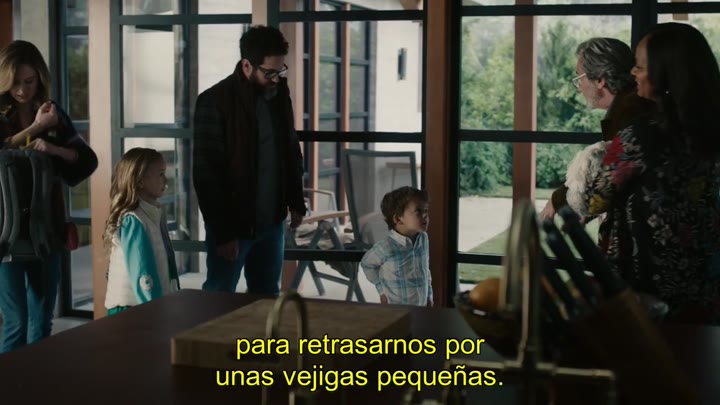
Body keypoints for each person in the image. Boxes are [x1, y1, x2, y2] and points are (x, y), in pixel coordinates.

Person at [582, 23, 720, 324]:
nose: (633, 72)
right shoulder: (710, 131)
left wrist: (591, 159)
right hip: (704, 287)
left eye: (641, 66)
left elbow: (593, 199)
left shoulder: (639, 136)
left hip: (646, 293)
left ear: (665, 74)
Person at [192, 25, 306, 295]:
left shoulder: (279, 96)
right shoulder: (214, 101)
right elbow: (206, 174)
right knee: (219, 297)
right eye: (270, 73)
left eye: (281, 71)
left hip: (272, 223)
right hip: (233, 225)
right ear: (247, 65)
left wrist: (296, 200)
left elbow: (290, 151)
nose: (276, 79)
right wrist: (223, 233)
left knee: (267, 297)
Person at [0, 40, 97, 352]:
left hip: (47, 229)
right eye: (15, 82)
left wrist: (56, 149)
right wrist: (35, 128)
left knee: (41, 321)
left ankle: (36, 380)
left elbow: (87, 161)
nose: (22, 90)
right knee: (15, 321)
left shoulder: (52, 113)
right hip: (5, 232)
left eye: (29, 81)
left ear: (39, 77)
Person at [540, 37, 655, 221]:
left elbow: (602, 187)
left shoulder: (629, 115)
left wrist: (557, 200)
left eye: (579, 78)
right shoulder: (628, 108)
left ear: (600, 79)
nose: (579, 87)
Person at [104, 148, 180, 316]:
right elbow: (143, 271)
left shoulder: (153, 214)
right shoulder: (133, 220)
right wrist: (156, 310)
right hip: (132, 310)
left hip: (147, 306)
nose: (166, 179)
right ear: (139, 181)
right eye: (160, 174)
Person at [361, 186, 433, 307]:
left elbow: (425, 269)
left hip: (422, 306)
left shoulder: (423, 239)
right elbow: (367, 264)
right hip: (396, 309)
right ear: (398, 219)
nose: (425, 215)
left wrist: (429, 294)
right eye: (418, 211)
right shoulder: (386, 247)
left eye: (426, 210)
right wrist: (382, 290)